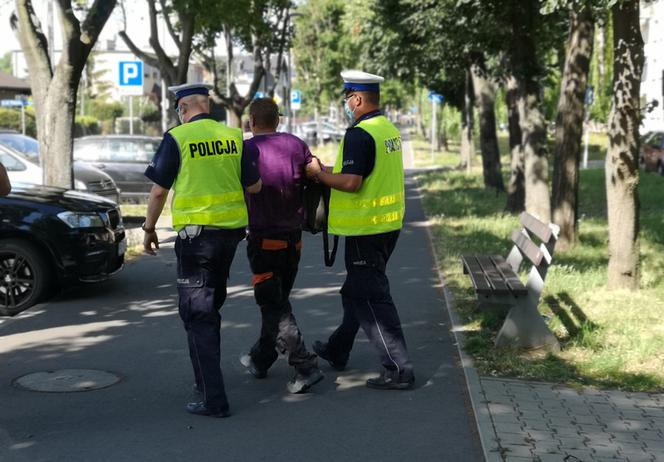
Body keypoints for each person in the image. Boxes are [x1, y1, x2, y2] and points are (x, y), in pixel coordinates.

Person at [143, 83, 262, 418]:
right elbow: (255, 185)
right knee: (206, 310)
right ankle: (204, 382)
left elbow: (157, 192)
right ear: (207, 106)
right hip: (229, 239)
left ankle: (213, 398)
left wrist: (149, 229)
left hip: (197, 241)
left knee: (198, 317)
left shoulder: (178, 138)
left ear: (182, 109)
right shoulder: (234, 136)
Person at [306, 70, 415, 390]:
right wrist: (330, 171)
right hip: (387, 225)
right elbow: (366, 172)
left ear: (357, 99)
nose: (345, 104)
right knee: (355, 291)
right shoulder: (387, 129)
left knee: (371, 298)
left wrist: (318, 175)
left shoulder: (359, 133)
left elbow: (352, 183)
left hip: (366, 228)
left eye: (346, 98)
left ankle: (398, 369)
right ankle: (338, 349)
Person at [240, 98, 324, 394]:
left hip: (264, 241)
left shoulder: (247, 149)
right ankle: (260, 359)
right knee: (276, 303)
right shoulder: (296, 144)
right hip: (294, 241)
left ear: (251, 121)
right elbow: (316, 171)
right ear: (278, 120)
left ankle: (305, 365)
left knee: (274, 306)